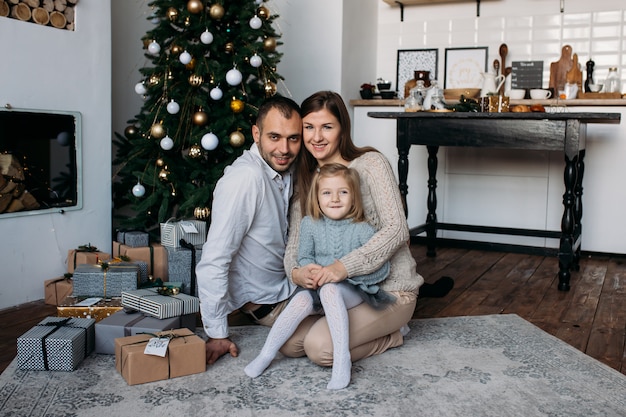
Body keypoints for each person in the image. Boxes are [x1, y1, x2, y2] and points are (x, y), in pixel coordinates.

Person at [280, 90, 446, 369]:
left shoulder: (370, 164)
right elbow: (294, 248)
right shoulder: (306, 180)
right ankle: (352, 330)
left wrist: (343, 267)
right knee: (287, 342)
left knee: (319, 349)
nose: (317, 137)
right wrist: (296, 273)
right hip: (335, 295)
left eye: (327, 127)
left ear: (342, 128)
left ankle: (393, 334)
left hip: (388, 292)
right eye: (309, 127)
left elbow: (397, 230)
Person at [245, 164, 394, 389]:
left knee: (330, 289)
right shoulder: (310, 224)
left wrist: (349, 270)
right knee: (301, 299)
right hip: (318, 287)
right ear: (316, 196)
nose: (334, 198)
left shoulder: (362, 229)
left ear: (354, 197)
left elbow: (382, 267)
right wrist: (309, 271)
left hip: (351, 290)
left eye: (343, 192)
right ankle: (266, 354)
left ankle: (342, 360)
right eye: (327, 192)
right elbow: (304, 257)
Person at [195, 95, 302, 365]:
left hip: (290, 287)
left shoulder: (285, 169)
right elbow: (214, 260)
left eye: (293, 138)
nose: (284, 149)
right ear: (256, 133)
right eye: (274, 137)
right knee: (326, 341)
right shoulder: (245, 178)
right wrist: (217, 333)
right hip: (270, 303)